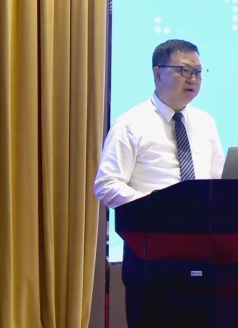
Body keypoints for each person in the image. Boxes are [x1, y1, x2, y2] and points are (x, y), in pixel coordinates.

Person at [94, 39, 224, 327]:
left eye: (198, 72)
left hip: (202, 251)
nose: (193, 79)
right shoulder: (131, 123)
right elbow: (106, 184)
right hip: (151, 252)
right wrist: (156, 209)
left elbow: (216, 182)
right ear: (157, 73)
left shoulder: (206, 123)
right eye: (184, 70)